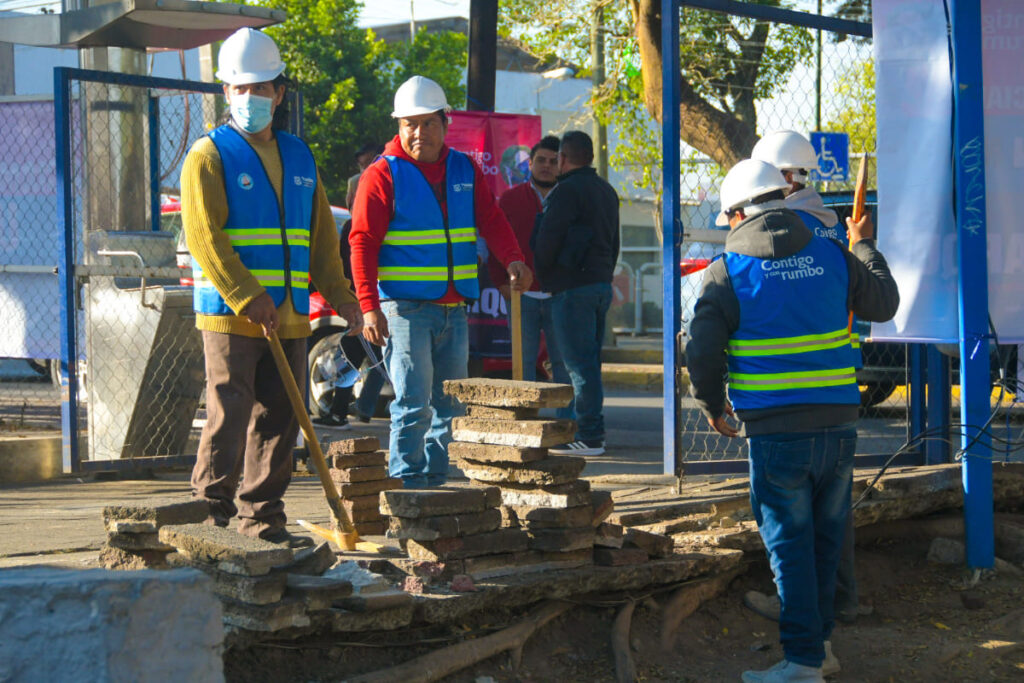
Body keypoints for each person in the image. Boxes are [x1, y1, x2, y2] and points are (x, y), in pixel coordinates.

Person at [686, 159, 898, 682]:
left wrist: (713, 406)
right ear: (783, 202)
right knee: (826, 540)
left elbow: (702, 351)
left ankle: (803, 662)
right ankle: (820, 647)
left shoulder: (727, 272)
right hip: (841, 426)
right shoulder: (833, 257)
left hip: (777, 434)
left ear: (737, 213)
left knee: (790, 546)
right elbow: (885, 301)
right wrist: (862, 245)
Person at [182, 28, 362, 547]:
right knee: (230, 413)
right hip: (231, 313)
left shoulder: (300, 157)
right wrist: (245, 294)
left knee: (281, 420)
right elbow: (205, 238)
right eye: (241, 88)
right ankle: (208, 519)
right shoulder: (209, 155)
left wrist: (344, 296)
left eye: (262, 88)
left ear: (280, 93)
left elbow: (323, 242)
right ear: (226, 92)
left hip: (287, 315)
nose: (251, 98)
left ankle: (262, 521)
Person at [349, 75, 531, 489]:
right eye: (410, 124)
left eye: (428, 122)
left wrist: (513, 258)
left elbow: (492, 219)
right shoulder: (382, 175)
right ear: (398, 127)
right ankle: (408, 487)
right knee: (413, 404)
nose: (419, 132)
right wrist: (368, 306)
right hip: (404, 309)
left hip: (455, 308)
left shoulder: (462, 167)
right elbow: (361, 243)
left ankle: (435, 483)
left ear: (445, 123)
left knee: (450, 405)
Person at [748, 130, 866, 625]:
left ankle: (799, 611)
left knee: (790, 519)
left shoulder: (786, 227)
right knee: (829, 512)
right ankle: (836, 602)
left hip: (791, 383)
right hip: (834, 373)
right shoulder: (829, 223)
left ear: (784, 178)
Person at [532, 131, 619, 457]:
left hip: (572, 289)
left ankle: (589, 436)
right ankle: (591, 432)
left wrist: (548, 275)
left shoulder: (565, 191)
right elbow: (614, 242)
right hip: (599, 285)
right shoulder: (607, 191)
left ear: (564, 159)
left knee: (577, 366)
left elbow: (547, 241)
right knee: (589, 364)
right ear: (592, 157)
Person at [488, 135, 570, 395]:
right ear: (531, 164)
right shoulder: (511, 199)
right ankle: (524, 422)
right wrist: (500, 281)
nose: (546, 166)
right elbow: (495, 240)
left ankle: (566, 425)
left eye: (553, 161)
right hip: (521, 295)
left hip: (560, 295)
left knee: (563, 365)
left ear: (562, 164)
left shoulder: (571, 198)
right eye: (541, 160)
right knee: (522, 366)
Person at [346, 142, 384, 210]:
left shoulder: (392, 180)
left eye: (368, 163)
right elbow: (352, 209)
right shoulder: (355, 182)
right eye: (361, 165)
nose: (364, 170)